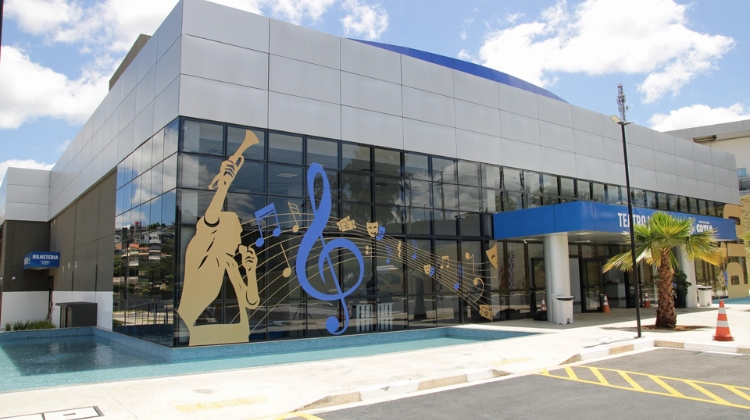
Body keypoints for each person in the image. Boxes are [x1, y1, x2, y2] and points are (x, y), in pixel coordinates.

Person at [177, 131, 260, 346]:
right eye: (237, 233)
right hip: (204, 333)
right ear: (221, 232)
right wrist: (223, 186)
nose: (239, 240)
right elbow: (209, 222)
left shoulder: (230, 263)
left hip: (239, 336)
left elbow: (252, 302)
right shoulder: (200, 252)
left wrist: (250, 272)